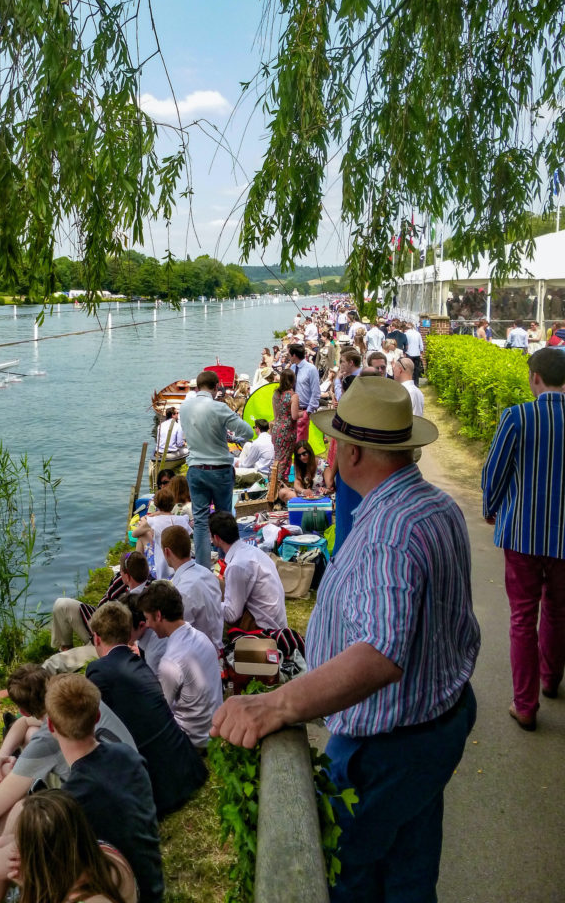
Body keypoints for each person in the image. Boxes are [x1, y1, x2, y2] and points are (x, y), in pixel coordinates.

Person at [212, 377, 480, 903]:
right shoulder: (436, 507)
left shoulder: (389, 532)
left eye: (336, 441)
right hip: (435, 725)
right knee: (408, 874)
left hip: (385, 748)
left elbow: (380, 653)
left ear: (353, 451)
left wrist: (275, 705)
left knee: (348, 877)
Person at [0, 674, 162, 903]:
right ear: (97, 717)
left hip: (117, 889)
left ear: (49, 725)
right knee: (16, 823)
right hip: (146, 880)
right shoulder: (129, 756)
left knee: (8, 838)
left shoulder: (68, 804)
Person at [481, 347, 565, 730]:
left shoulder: (517, 417)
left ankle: (525, 705)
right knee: (558, 610)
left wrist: (490, 507)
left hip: (522, 535)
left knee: (522, 617)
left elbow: (495, 470)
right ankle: (551, 679)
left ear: (535, 378)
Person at [87, 601, 208, 816]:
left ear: (97, 638)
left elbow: (90, 722)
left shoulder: (98, 670)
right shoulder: (141, 665)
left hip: (156, 788)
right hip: (187, 770)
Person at [180, 369, 253, 569]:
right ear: (216, 387)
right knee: (224, 517)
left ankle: (203, 568)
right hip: (220, 469)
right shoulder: (219, 408)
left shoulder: (184, 408)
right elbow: (247, 431)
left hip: (196, 468)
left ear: (197, 388)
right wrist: (228, 434)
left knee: (201, 521)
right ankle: (227, 562)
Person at [138, 581, 223, 749]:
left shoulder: (171, 661)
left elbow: (160, 711)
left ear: (159, 616)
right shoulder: (201, 637)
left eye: (147, 619)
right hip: (213, 727)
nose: (147, 625)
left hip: (193, 739)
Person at [13, 791, 137, 903]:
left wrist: (32, 885)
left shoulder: (91, 898)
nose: (16, 850)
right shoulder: (99, 853)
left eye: (22, 846)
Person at [47, 552, 152, 671]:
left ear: (128, 577)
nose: (119, 575)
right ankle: (65, 649)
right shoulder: (120, 583)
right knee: (61, 605)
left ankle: (64, 663)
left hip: (110, 642)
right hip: (98, 625)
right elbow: (103, 604)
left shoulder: (147, 599)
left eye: (121, 573)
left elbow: (138, 638)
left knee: (52, 663)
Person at [209, 510, 287, 631]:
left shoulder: (237, 565)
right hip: (275, 619)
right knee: (212, 581)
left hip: (265, 628)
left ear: (217, 538)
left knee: (209, 597)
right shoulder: (251, 551)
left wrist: (207, 603)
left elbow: (231, 615)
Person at [161, 525, 223, 648]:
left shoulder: (181, 592)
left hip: (202, 655)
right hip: (217, 644)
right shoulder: (207, 573)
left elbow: (179, 637)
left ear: (167, 552)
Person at [131, 487, 192, 578]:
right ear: (173, 503)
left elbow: (134, 534)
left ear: (156, 504)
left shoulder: (154, 521)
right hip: (183, 566)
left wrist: (149, 525)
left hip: (161, 571)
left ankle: (136, 573)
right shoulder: (182, 519)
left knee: (142, 535)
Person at [287, 342, 320, 442]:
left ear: (294, 355)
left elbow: (316, 392)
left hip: (304, 409)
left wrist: (308, 411)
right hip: (292, 409)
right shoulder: (292, 368)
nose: (288, 357)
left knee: (301, 442)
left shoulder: (311, 369)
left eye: (289, 355)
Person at [271, 369, 300, 483]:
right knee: (285, 460)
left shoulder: (276, 394)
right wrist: (304, 413)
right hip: (288, 431)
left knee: (278, 458)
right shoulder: (293, 396)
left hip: (277, 429)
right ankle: (276, 484)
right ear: (293, 380)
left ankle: (277, 482)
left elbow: (276, 414)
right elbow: (294, 416)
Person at [233, 417, 274, 483]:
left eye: (254, 427)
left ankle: (240, 467)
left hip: (261, 473)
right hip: (268, 468)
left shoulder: (257, 442)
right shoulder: (271, 439)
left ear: (257, 428)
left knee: (233, 471)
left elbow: (248, 462)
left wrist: (240, 465)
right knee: (247, 445)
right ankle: (241, 463)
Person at [403, 321, 425, 386]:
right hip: (417, 353)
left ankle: (410, 382)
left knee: (409, 369)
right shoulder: (418, 333)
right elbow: (421, 345)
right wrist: (421, 353)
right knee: (416, 369)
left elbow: (405, 344)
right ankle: (416, 383)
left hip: (409, 353)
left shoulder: (406, 334)